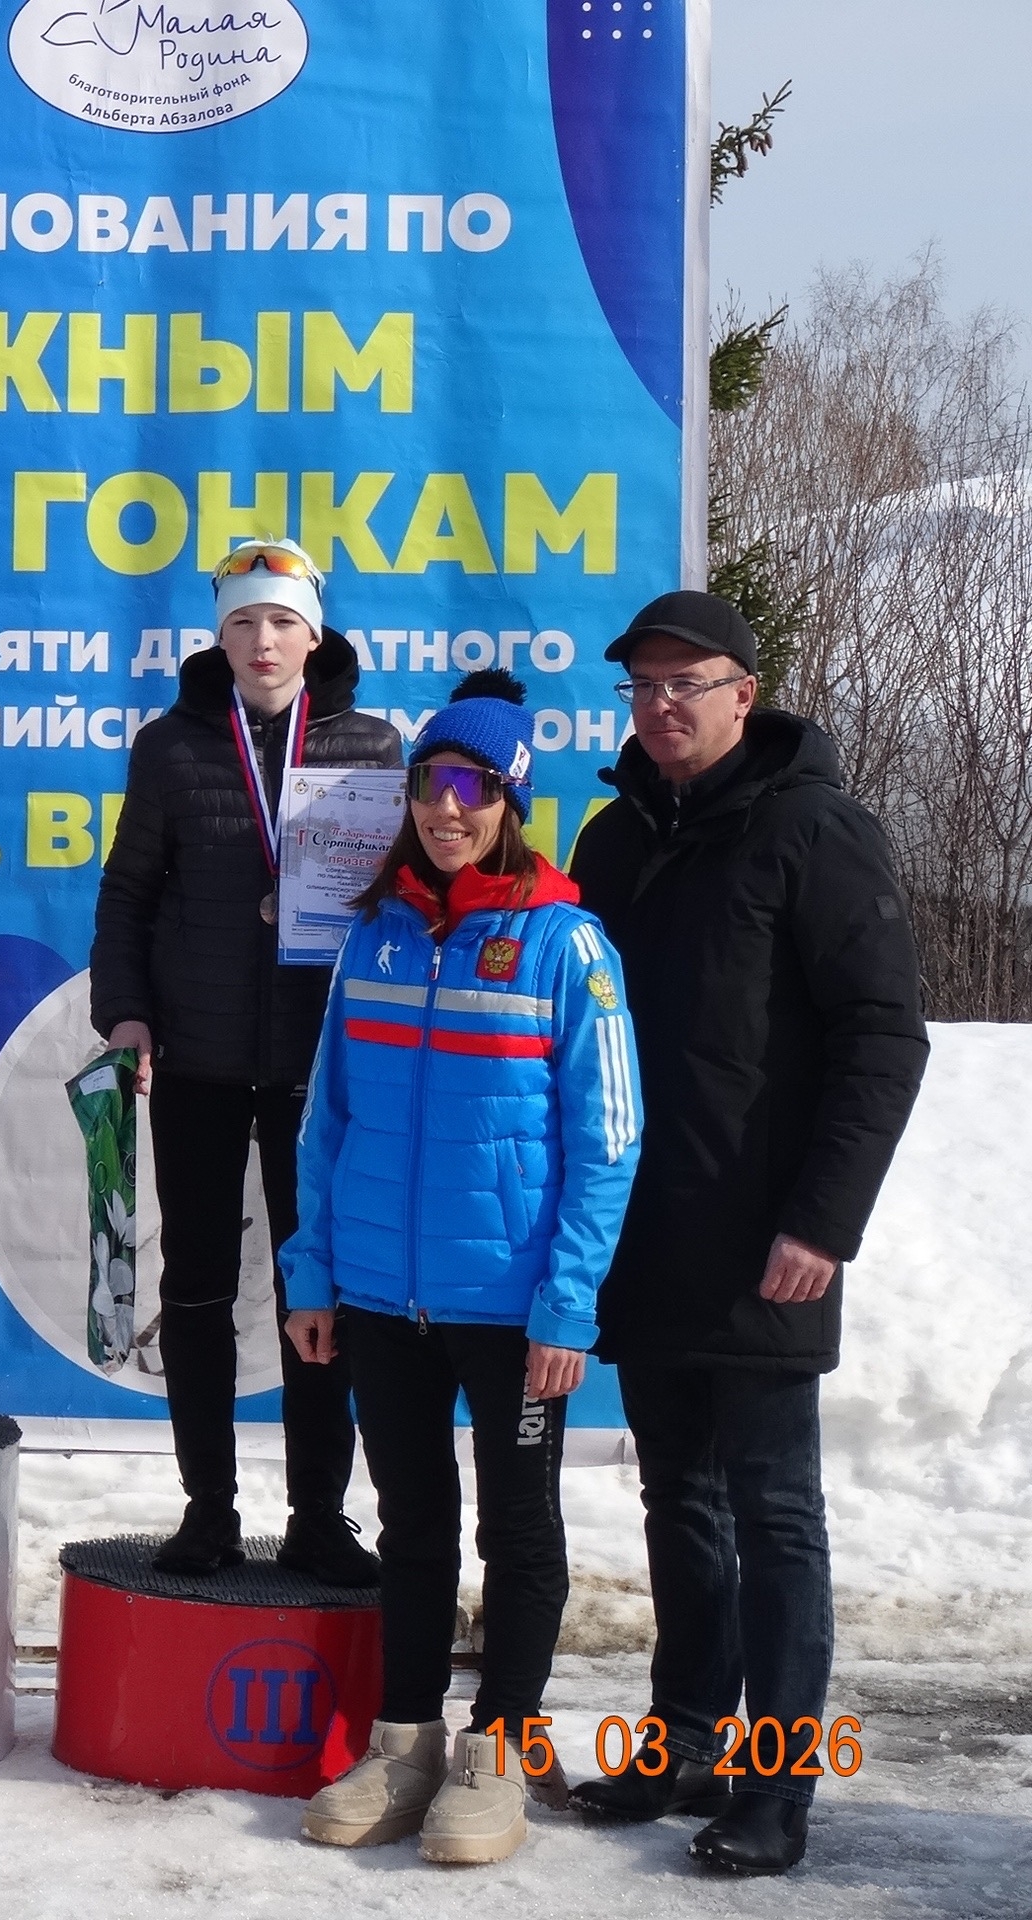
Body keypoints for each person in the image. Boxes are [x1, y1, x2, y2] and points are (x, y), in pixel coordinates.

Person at [565, 592, 928, 1876]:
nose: (662, 705)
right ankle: (684, 1745)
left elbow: (883, 1038)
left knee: (774, 1513)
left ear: (743, 693)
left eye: (688, 682)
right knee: (678, 1497)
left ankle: (775, 1788)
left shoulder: (814, 828)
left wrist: (822, 1223)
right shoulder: (612, 839)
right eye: (642, 685)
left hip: (769, 1237)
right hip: (644, 1229)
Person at [280, 671, 641, 1864]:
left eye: (471, 789)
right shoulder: (374, 932)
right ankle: (404, 1743)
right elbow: (327, 1119)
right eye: (430, 783)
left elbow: (608, 1139)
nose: (445, 809)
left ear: (508, 802)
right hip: (382, 1297)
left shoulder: (565, 944)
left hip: (511, 1306)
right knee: (412, 1524)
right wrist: (312, 1272)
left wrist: (567, 1304)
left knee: (518, 1530)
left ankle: (500, 1747)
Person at [89, 538, 401, 1583]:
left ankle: (318, 1517)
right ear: (218, 637)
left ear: (314, 635)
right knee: (196, 1287)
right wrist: (126, 1012)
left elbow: (405, 897)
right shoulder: (171, 747)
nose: (262, 641)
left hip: (324, 1066)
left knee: (319, 1287)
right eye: (242, 622)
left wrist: (343, 910)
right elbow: (128, 892)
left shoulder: (372, 748)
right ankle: (208, 1511)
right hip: (199, 1054)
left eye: (281, 622)